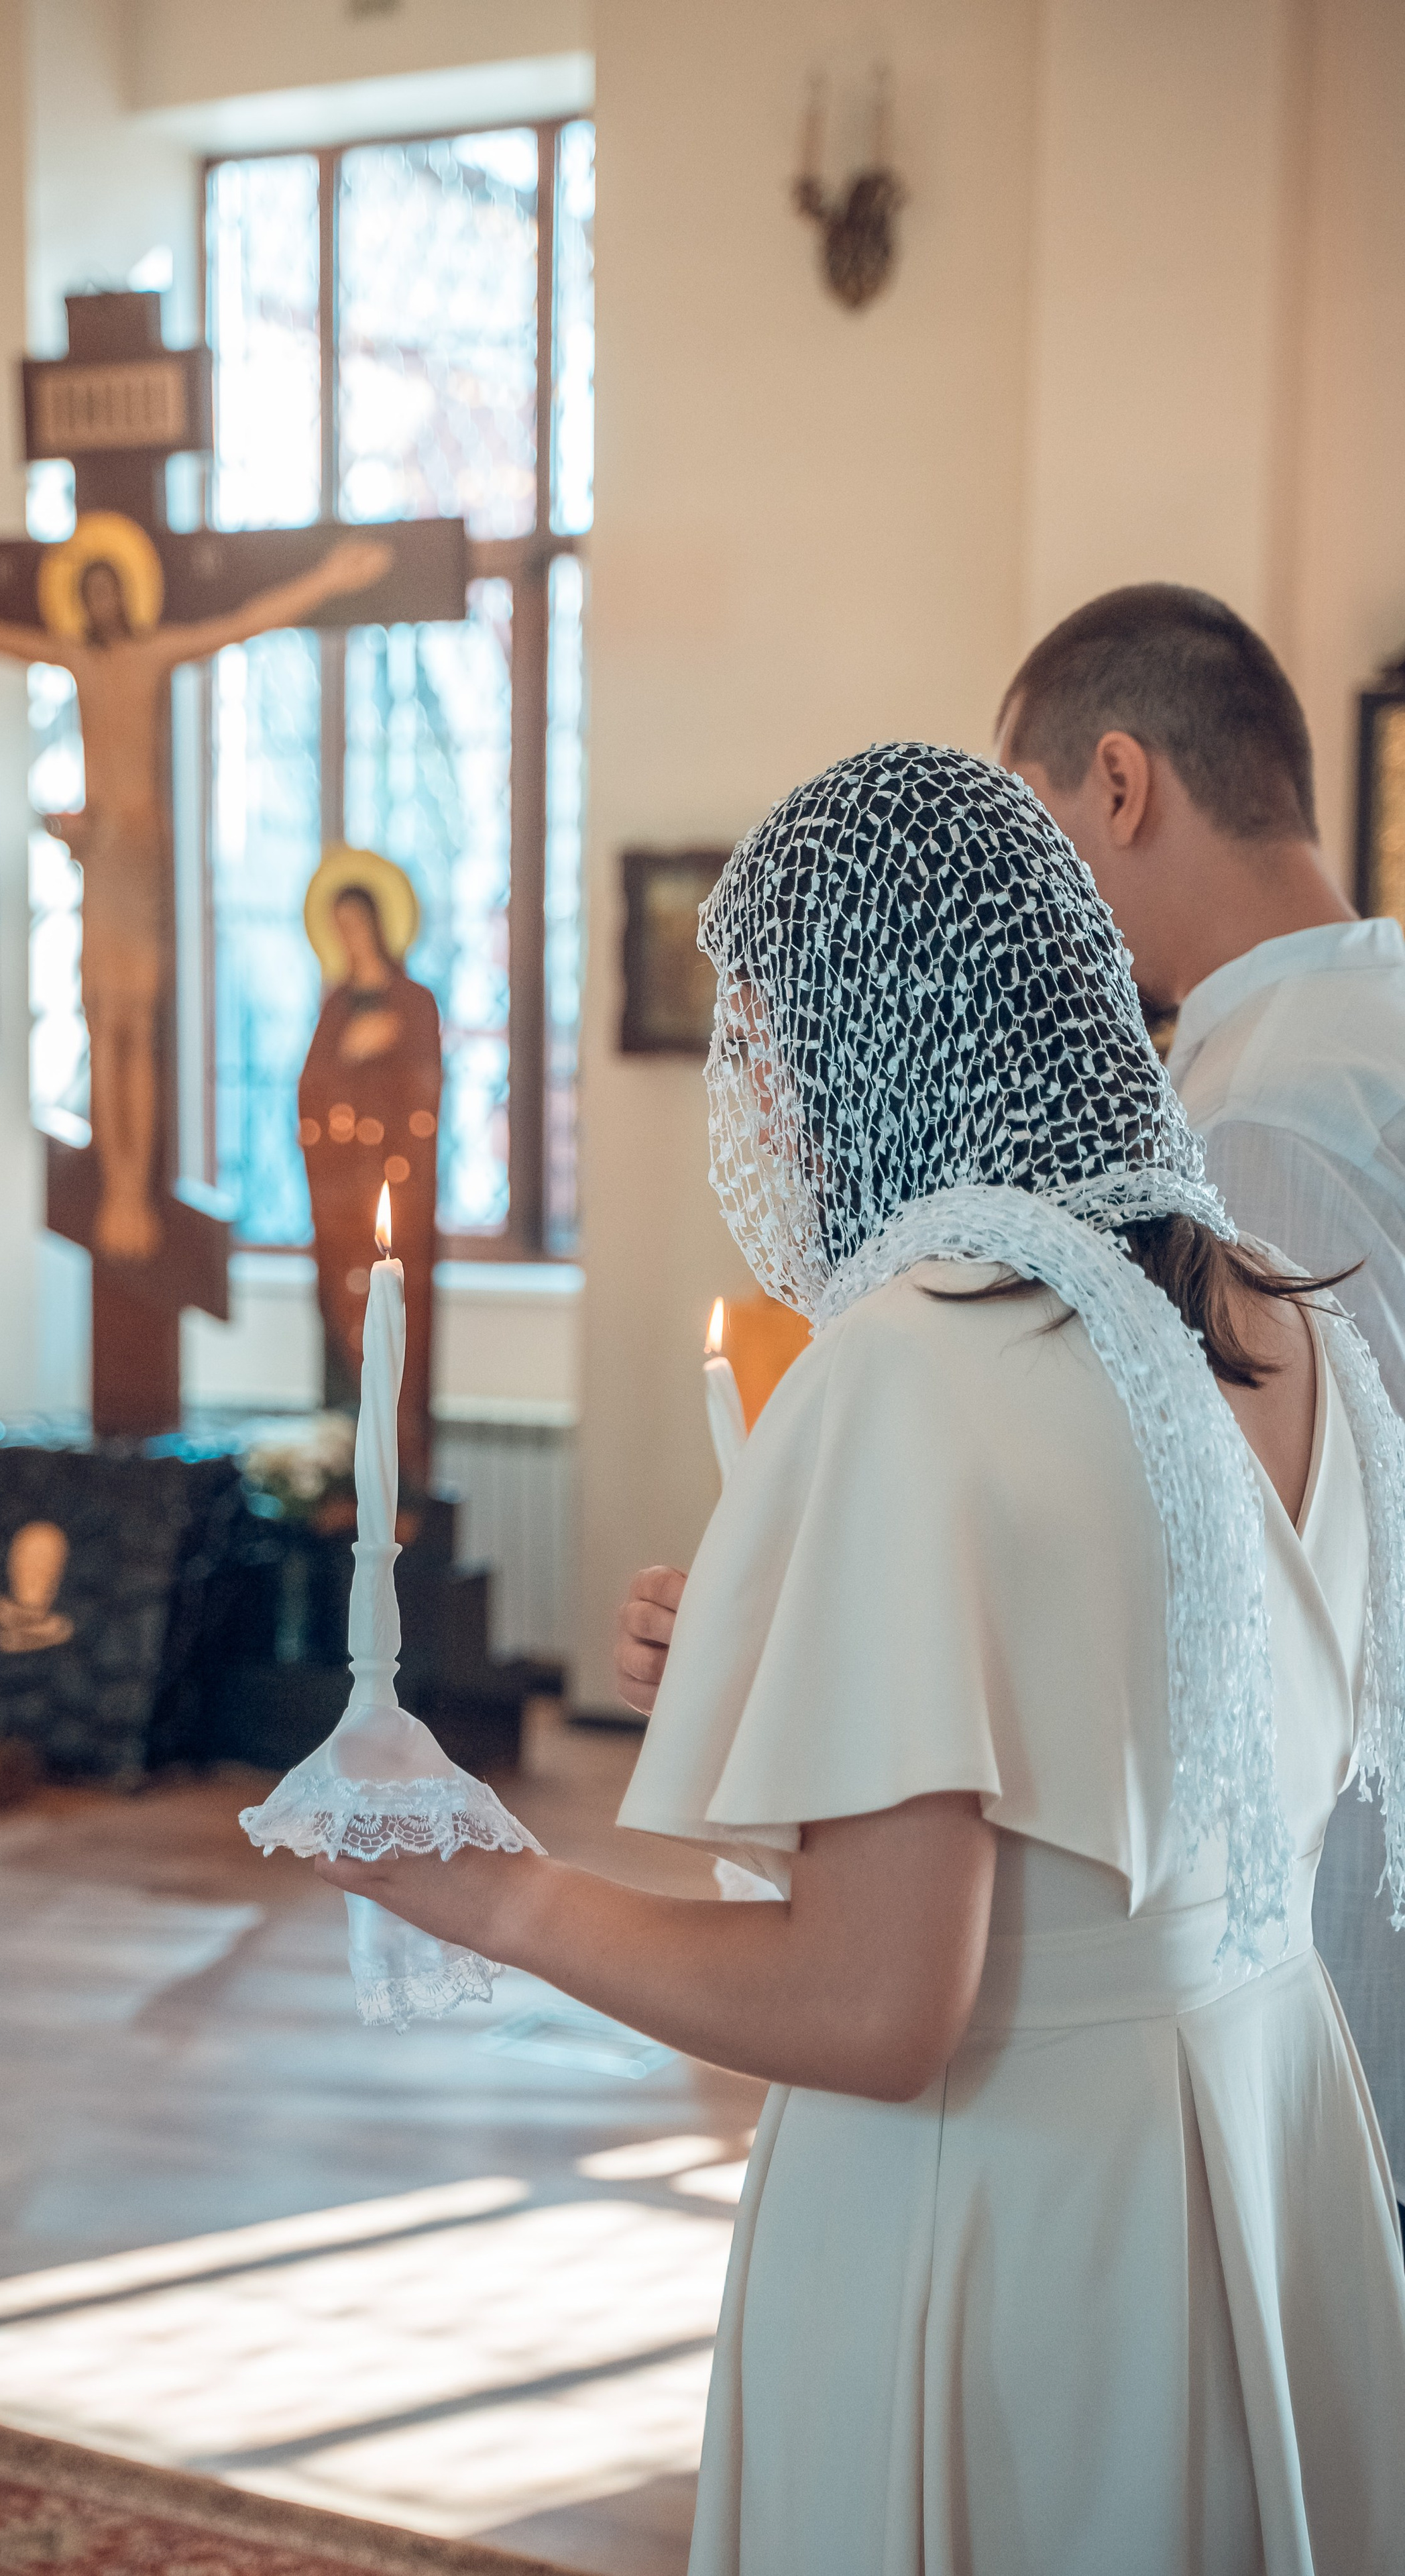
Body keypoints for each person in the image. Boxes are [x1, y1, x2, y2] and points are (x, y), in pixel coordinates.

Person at [319, 743, 1405, 2571]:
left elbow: (874, 2010)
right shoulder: (1281, 1329)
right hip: (1259, 2150)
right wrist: (807, 1656)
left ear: (862, 1048)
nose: (772, 1114)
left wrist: (493, 1895)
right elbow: (1121, 1719)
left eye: (763, 1051)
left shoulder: (914, 1362)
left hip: (1019, 2224)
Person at [996, 580, 1405, 2210]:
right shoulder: (1368, 1004)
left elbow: (1305, 1549)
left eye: (1034, 826)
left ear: (1116, 781)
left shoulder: (1248, 1117)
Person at [0, 531, 392, 1262]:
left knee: (134, 1024)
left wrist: (327, 577)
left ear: (128, 597)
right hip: (99, 855)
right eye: (92, 593)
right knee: (100, 1021)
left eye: (112, 591)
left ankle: (134, 1191)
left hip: (139, 857)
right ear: (82, 603)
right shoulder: (76, 661)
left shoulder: (152, 654)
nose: (103, 604)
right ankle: (116, 1188)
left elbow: (241, 621)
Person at [297, 862, 441, 1487]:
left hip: (397, 1191)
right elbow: (309, 1092)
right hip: (339, 1200)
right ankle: (343, 1466)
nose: (351, 937)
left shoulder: (414, 1004)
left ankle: (401, 1461)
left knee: (398, 1320)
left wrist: (382, 1062)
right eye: (340, 927)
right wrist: (351, 1056)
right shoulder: (335, 1009)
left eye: (359, 924)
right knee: (342, 1322)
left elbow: (424, 1096)